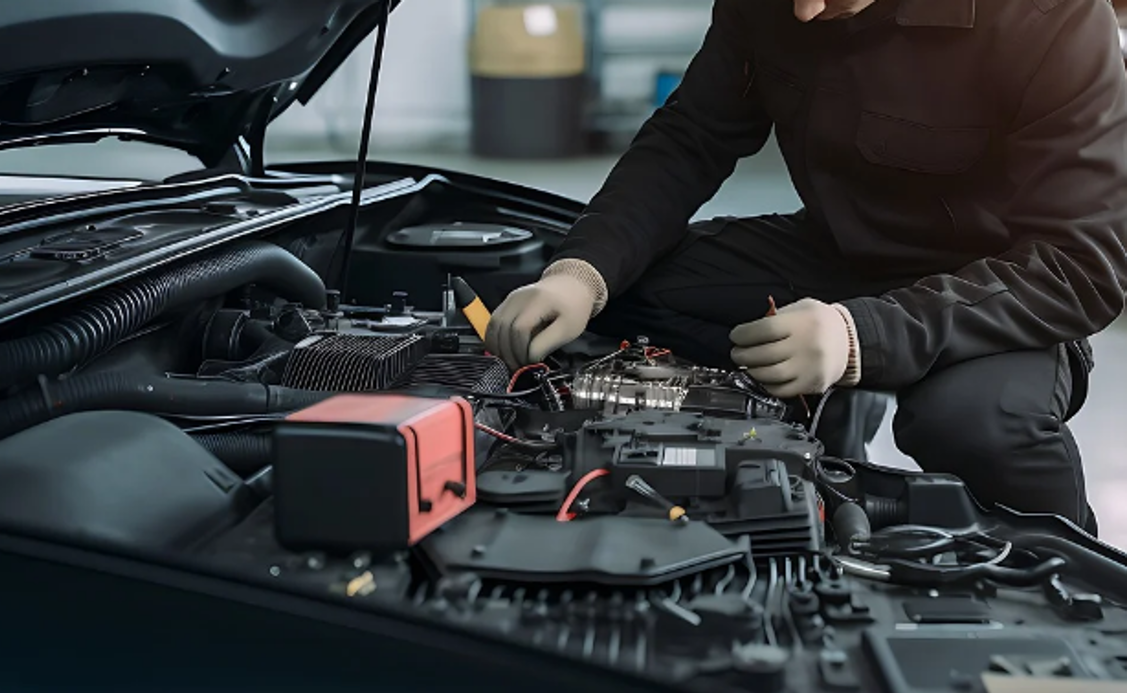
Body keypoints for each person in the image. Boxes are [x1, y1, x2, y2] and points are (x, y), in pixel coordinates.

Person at [483, 0, 1127, 532]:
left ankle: (1087, 601)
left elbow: (1080, 265)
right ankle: (815, 449)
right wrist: (580, 271)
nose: (804, 10)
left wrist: (859, 339)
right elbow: (691, 137)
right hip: (835, 255)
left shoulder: (1052, 18)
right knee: (622, 292)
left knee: (972, 425)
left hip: (998, 288)